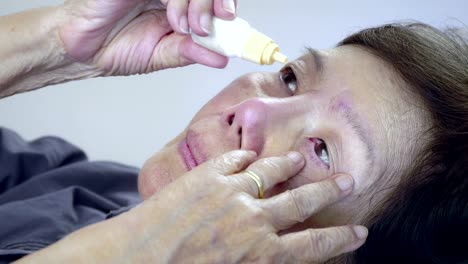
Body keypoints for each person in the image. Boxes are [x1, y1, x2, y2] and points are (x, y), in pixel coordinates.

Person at [1, 1, 467, 264]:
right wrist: (52, 45)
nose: (252, 109)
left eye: (322, 150)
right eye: (290, 79)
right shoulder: (92, 188)